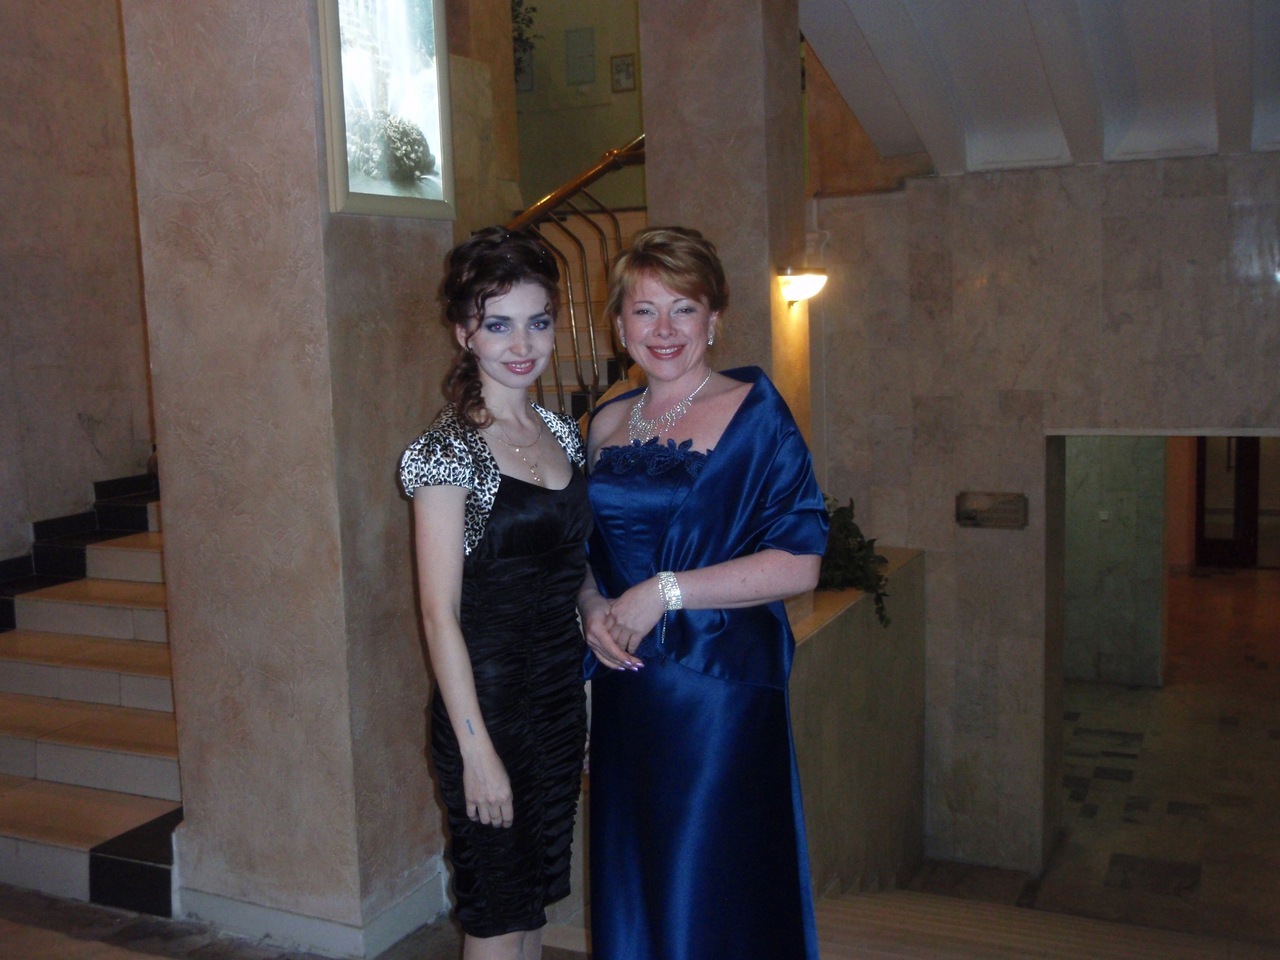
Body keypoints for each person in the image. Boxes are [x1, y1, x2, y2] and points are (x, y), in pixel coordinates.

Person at [578, 227, 829, 960]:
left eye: (682, 309)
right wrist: (591, 607)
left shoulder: (756, 415)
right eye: (644, 310)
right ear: (619, 324)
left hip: (716, 694)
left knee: (707, 881)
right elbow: (584, 554)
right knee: (637, 877)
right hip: (626, 690)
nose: (663, 329)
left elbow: (799, 564)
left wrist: (665, 591)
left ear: (714, 319)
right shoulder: (606, 420)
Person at [399, 227, 590, 960]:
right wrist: (476, 753)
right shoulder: (447, 451)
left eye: (537, 322)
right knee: (495, 916)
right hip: (484, 712)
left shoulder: (562, 435)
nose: (522, 344)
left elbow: (570, 573)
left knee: (532, 909)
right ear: (464, 333)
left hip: (556, 707)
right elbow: (437, 614)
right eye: (498, 323)